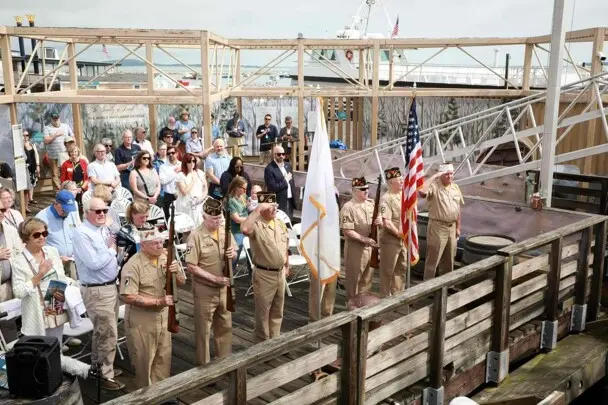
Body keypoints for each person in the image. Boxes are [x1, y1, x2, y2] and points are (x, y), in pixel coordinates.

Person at [120, 227, 184, 389]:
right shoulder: (133, 265)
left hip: (163, 317)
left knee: (163, 357)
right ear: (143, 245)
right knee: (144, 361)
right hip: (142, 320)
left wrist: (176, 272)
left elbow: (182, 281)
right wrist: (158, 301)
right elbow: (128, 296)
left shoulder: (165, 256)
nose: (159, 246)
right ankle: (145, 396)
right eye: (155, 243)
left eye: (161, 242)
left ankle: (161, 393)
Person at [73, 197, 124, 390]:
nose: (102, 213)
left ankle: (99, 366)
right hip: (97, 289)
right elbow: (94, 263)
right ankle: (105, 374)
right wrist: (111, 251)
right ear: (87, 213)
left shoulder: (102, 229)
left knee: (102, 331)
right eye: (98, 211)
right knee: (108, 332)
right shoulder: (82, 233)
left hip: (110, 285)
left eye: (105, 210)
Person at [185, 197, 236, 365]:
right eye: (214, 219)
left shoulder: (224, 230)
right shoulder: (196, 236)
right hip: (205, 290)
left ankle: (224, 362)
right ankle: (205, 368)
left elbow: (234, 251)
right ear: (204, 217)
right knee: (204, 332)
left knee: (225, 327)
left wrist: (232, 254)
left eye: (219, 218)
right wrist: (214, 278)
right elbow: (191, 266)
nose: (217, 222)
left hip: (224, 289)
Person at [11, 218, 76, 342]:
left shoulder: (52, 251)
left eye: (44, 233)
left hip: (55, 304)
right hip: (36, 313)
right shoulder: (19, 261)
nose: (42, 237)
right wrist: (40, 274)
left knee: (56, 348)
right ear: (26, 238)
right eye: (36, 235)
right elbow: (19, 292)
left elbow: (60, 278)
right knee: (40, 352)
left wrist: (57, 303)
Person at [241, 193, 289, 342]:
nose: (275, 209)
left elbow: (286, 244)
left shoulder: (279, 222)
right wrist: (256, 210)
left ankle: (274, 343)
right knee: (263, 314)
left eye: (275, 205)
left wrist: (287, 265)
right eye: (270, 206)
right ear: (262, 208)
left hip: (280, 274)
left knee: (277, 313)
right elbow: (245, 229)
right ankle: (261, 346)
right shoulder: (256, 224)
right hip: (264, 274)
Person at [419, 163, 464, 281]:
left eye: (451, 173)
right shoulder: (434, 186)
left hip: (452, 227)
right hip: (437, 227)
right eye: (447, 174)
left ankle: (447, 286)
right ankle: (427, 287)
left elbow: (457, 208)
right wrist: (435, 176)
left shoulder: (455, 187)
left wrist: (458, 227)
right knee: (433, 259)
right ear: (441, 174)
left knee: (449, 259)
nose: (450, 176)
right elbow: (422, 192)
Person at [340, 177, 382, 301]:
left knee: (367, 280)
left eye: (367, 188)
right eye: (363, 189)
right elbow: (347, 231)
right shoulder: (348, 207)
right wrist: (365, 239)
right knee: (354, 280)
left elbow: (378, 219)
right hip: (355, 248)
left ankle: (363, 306)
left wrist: (380, 220)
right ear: (354, 191)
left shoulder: (371, 203)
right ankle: (352, 307)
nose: (366, 191)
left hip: (370, 247)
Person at [35, 190, 80, 280]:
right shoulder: (41, 218)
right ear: (57, 204)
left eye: (69, 209)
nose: (67, 212)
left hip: (72, 262)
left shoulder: (71, 213)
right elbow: (36, 246)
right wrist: (57, 258)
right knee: (57, 293)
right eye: (65, 209)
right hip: (53, 265)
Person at [378, 167, 407, 298]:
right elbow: (386, 222)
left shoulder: (403, 195)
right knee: (388, 270)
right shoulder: (386, 199)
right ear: (390, 183)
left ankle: (398, 294)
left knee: (401, 267)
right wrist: (399, 234)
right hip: (391, 240)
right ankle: (385, 297)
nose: (402, 182)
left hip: (403, 238)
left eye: (402, 180)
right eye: (399, 180)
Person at [116, 200, 155, 270]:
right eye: (141, 217)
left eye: (147, 216)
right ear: (132, 215)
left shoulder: (150, 227)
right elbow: (120, 257)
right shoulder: (124, 231)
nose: (145, 220)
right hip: (132, 266)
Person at [226, 176, 251, 278]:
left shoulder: (243, 197)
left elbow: (246, 212)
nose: (245, 191)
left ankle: (252, 278)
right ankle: (228, 277)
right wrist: (250, 219)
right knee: (234, 258)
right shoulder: (230, 200)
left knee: (251, 256)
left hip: (246, 230)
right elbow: (236, 219)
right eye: (243, 188)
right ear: (236, 187)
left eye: (246, 189)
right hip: (237, 231)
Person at [176, 154, 207, 229]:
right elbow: (184, 192)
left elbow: (205, 188)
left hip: (199, 204)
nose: (192, 163)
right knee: (188, 229)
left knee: (201, 227)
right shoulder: (180, 175)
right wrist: (193, 180)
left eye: (194, 161)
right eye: (189, 161)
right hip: (186, 205)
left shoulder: (200, 173)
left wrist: (201, 198)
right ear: (185, 163)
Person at [43, 112, 74, 189]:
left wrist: (74, 149)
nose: (56, 120)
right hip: (53, 156)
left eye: (57, 118)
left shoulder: (66, 126)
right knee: (55, 174)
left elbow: (73, 137)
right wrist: (56, 135)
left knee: (67, 171)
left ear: (59, 118)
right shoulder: (47, 128)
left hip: (65, 155)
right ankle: (58, 191)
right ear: (51, 119)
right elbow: (46, 141)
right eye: (54, 119)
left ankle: (68, 188)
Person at [264, 145, 296, 217]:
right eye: (279, 154)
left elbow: (292, 183)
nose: (281, 156)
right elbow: (273, 187)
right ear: (274, 155)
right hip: (279, 202)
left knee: (289, 222)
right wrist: (286, 180)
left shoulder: (288, 165)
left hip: (290, 200)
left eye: (283, 154)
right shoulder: (269, 169)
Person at [0, 208, 21, 302]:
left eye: (2, 210)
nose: (1, 213)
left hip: (10, 285)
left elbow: (19, 252)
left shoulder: (10, 230)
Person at [159, 145, 182, 220]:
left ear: (177, 153)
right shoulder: (163, 167)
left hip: (181, 195)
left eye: (173, 152)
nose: (171, 154)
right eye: (169, 153)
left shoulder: (182, 165)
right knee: (169, 219)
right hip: (169, 196)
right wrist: (175, 172)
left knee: (181, 218)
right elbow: (162, 181)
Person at [23, 128, 40, 212]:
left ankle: (31, 198)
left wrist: (37, 165)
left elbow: (36, 155)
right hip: (25, 167)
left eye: (27, 135)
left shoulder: (32, 144)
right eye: (23, 135)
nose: (25, 137)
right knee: (27, 183)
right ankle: (26, 202)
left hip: (33, 166)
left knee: (33, 181)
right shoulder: (20, 145)